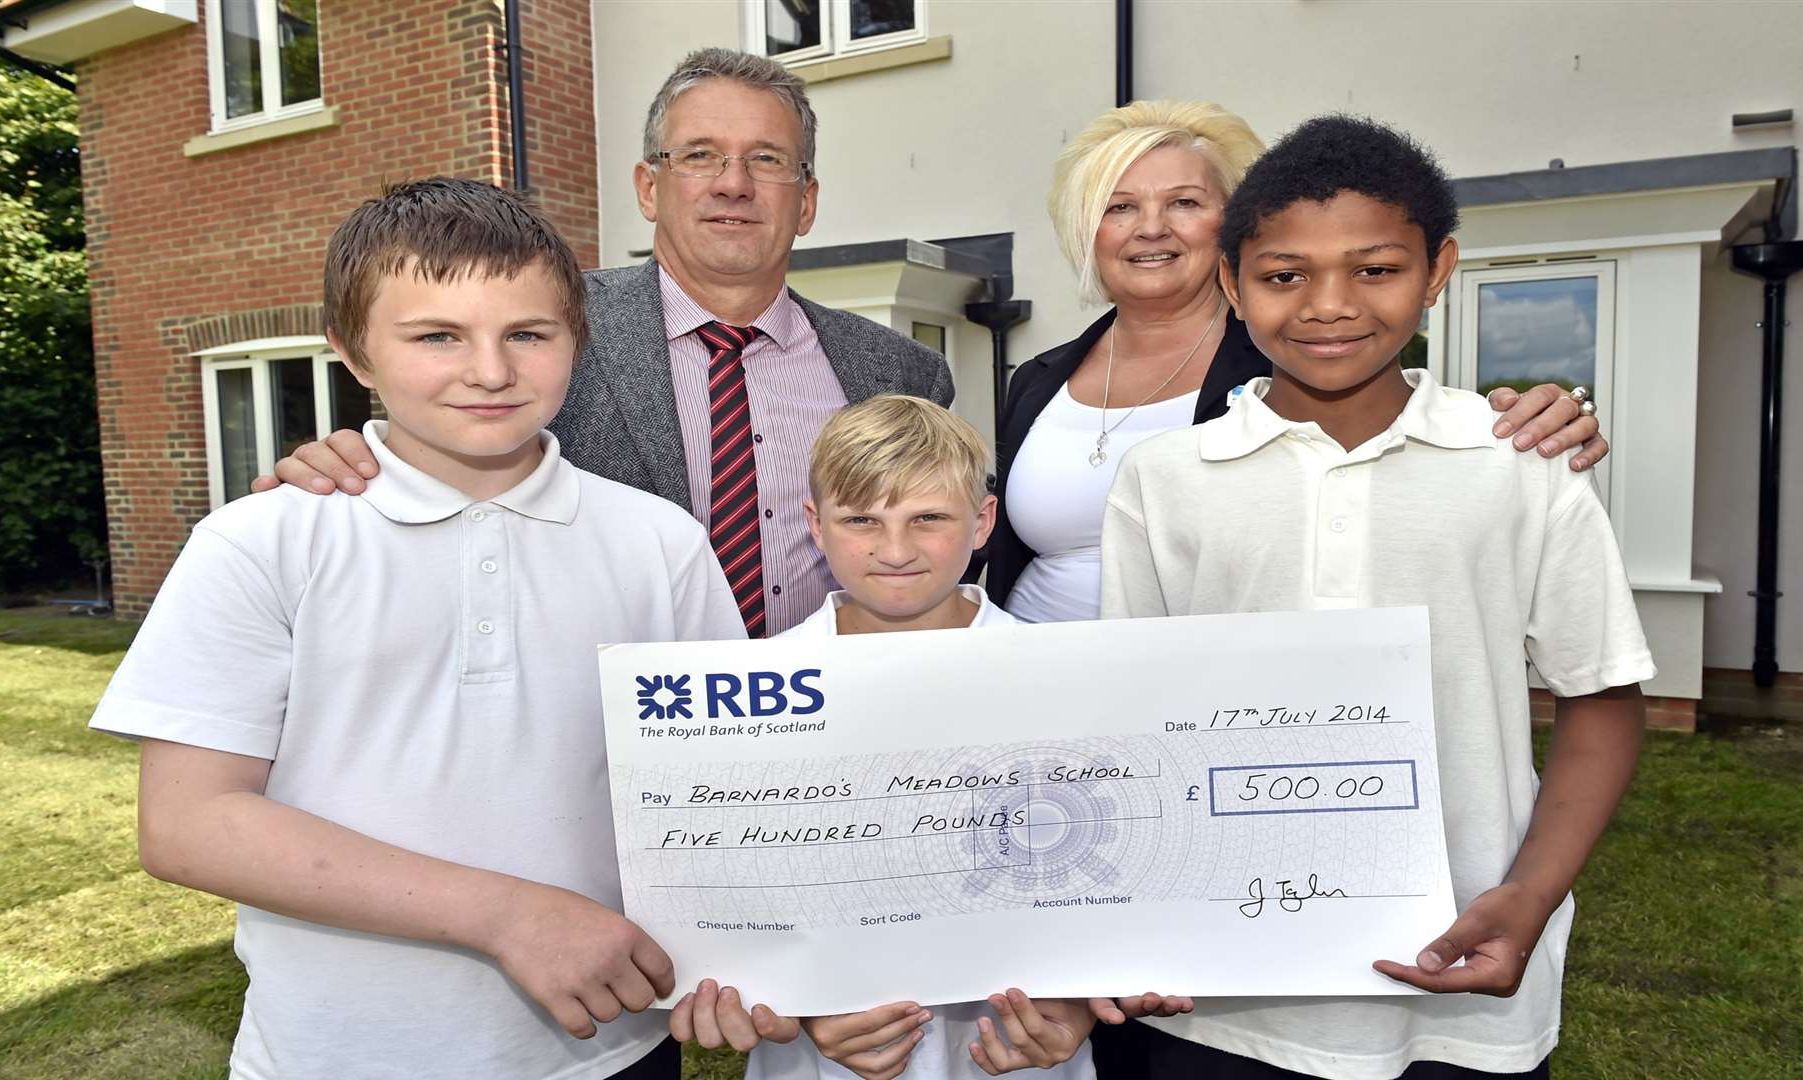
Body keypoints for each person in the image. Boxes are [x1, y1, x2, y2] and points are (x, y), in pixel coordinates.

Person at [87, 177, 758, 1080]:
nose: (489, 370)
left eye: (528, 333)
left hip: (609, 1048)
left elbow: (728, 787)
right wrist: (506, 913)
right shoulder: (265, 538)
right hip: (337, 1053)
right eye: (436, 335)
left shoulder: (662, 542)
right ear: (353, 353)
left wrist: (762, 958)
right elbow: (188, 823)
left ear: (577, 342)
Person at [1099, 116, 1654, 1079]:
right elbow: (1127, 724)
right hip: (1222, 995)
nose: (1328, 305)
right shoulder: (1166, 477)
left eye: (1375, 269)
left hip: (1462, 968)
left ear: (1437, 270)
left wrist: (1528, 897)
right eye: (1284, 276)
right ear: (1232, 282)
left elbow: (1600, 696)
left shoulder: (1522, 464)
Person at [256, 48, 952, 638]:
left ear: (806, 201)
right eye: (700, 155)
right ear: (649, 187)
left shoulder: (899, 371)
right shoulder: (538, 330)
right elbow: (441, 438)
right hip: (596, 738)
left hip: (834, 726)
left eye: (767, 160)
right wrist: (351, 461)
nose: (733, 185)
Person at [679, 395, 1179, 1080]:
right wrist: (794, 1005)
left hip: (1017, 1048)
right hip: (819, 1060)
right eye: (861, 520)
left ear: (981, 522)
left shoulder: (1074, 681)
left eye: (928, 519)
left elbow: (1123, 861)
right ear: (814, 527)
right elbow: (733, 894)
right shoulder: (747, 695)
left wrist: (1081, 1006)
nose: (894, 550)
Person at [988, 101, 1609, 623]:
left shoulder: (1297, 357)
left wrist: (1546, 415)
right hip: (1035, 676)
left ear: (1237, 228)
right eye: (1119, 206)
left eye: (1183, 202)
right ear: (1085, 230)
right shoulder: (1040, 378)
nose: (1151, 228)